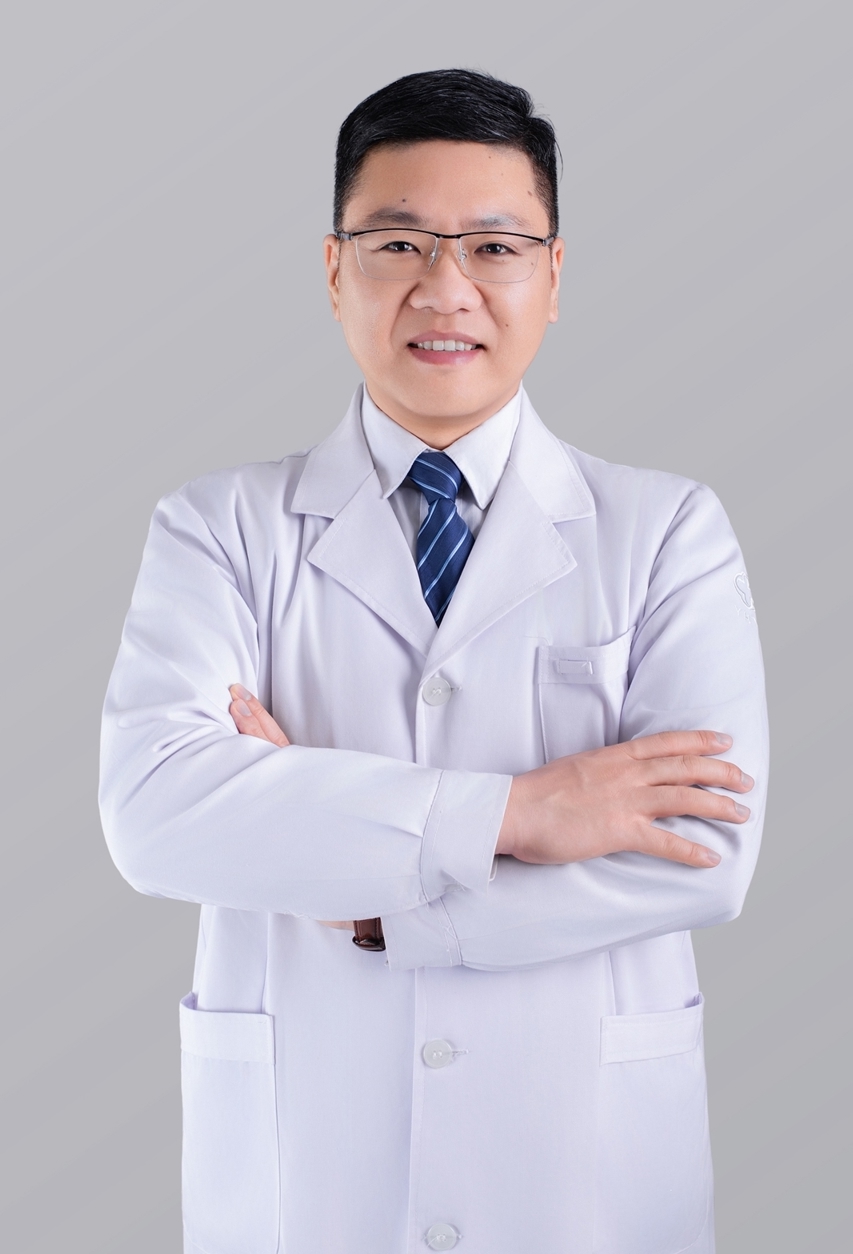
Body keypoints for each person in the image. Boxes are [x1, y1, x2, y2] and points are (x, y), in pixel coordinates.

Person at [100, 69, 767, 1254]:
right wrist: (524, 810)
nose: (444, 288)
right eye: (397, 243)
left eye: (494, 247)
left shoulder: (666, 531)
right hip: (311, 1163)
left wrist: (366, 898)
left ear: (553, 275)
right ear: (333, 270)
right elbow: (156, 813)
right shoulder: (218, 528)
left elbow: (701, 854)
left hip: (580, 1168)